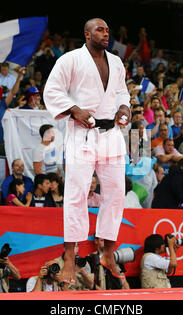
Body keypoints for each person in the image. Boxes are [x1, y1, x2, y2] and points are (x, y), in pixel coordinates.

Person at [43, 18, 131, 283]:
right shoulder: (70, 59)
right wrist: (74, 109)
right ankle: (70, 256)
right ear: (87, 33)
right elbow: (52, 91)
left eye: (107, 30)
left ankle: (108, 250)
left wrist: (125, 108)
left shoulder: (115, 61)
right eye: (101, 30)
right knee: (76, 193)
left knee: (116, 193)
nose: (106, 33)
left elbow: (122, 92)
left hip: (111, 133)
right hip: (82, 132)